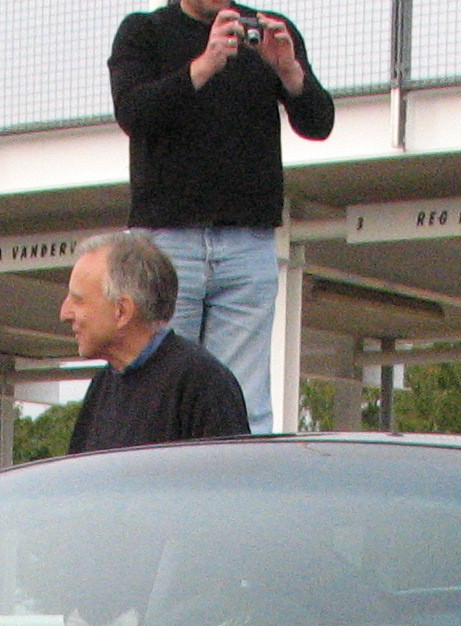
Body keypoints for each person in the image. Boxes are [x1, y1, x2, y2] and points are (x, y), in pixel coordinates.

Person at [108, 1, 333, 433]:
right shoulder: (145, 31)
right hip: (167, 241)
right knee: (160, 386)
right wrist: (204, 66)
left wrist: (289, 72)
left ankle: (240, 491)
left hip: (246, 240)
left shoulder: (264, 31)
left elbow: (319, 123)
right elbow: (133, 113)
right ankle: (160, 490)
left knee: (244, 396)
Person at [62, 231, 249, 454]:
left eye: (78, 301)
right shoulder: (103, 384)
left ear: (122, 311)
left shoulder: (202, 382)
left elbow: (229, 481)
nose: (64, 313)